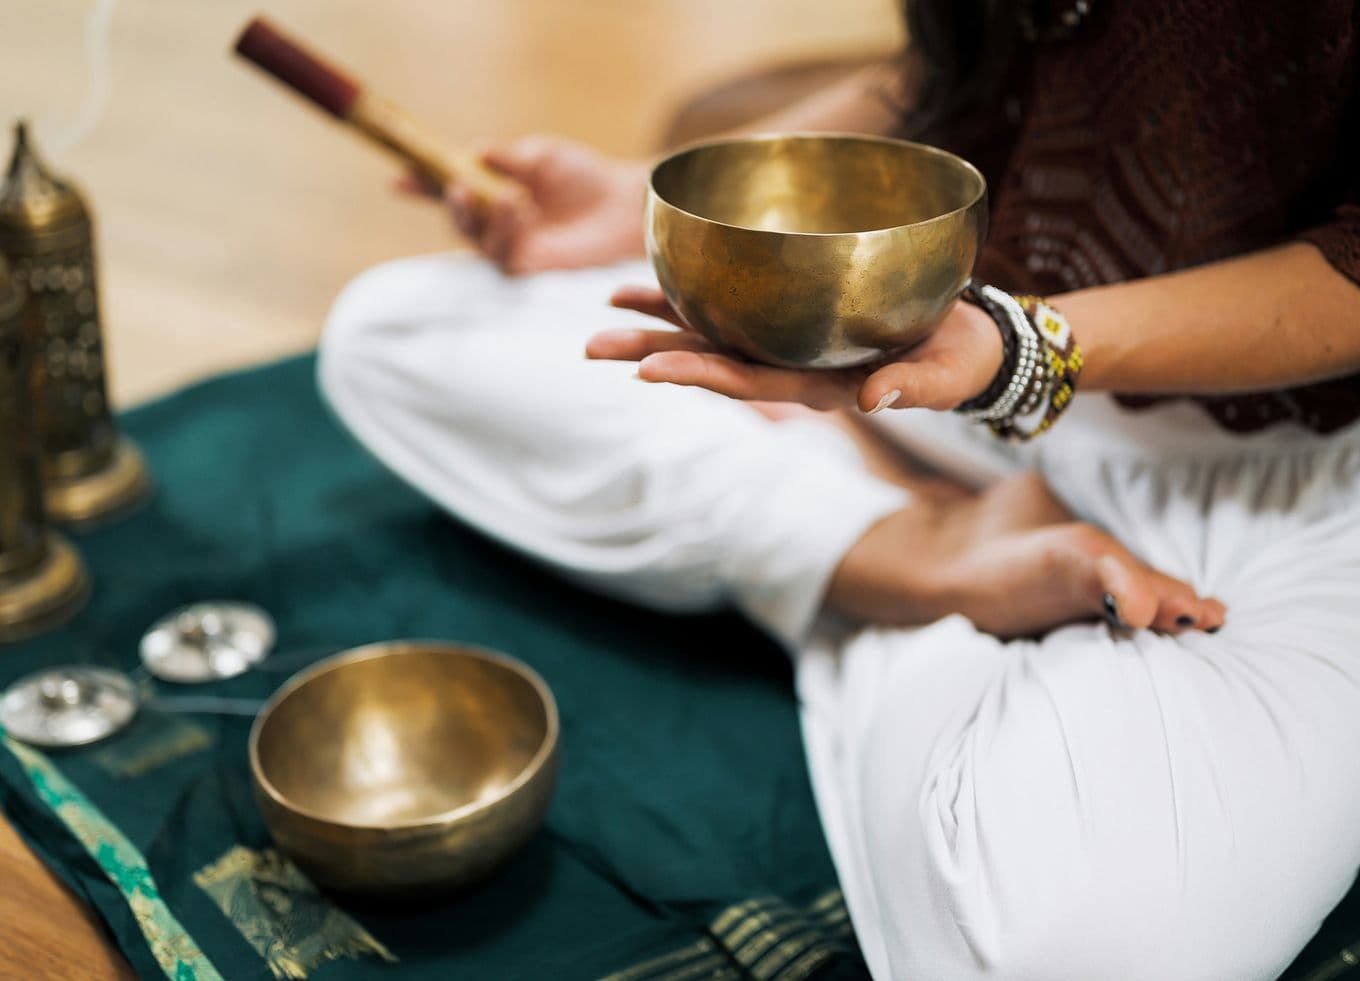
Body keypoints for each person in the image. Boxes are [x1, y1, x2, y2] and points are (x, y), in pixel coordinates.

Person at [318, 1, 1360, 977]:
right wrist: (644, 204)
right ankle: (910, 553)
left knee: (1071, 956)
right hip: (942, 351)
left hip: (1283, 468)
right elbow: (958, 72)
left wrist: (1022, 350)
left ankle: (853, 550)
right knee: (397, 333)